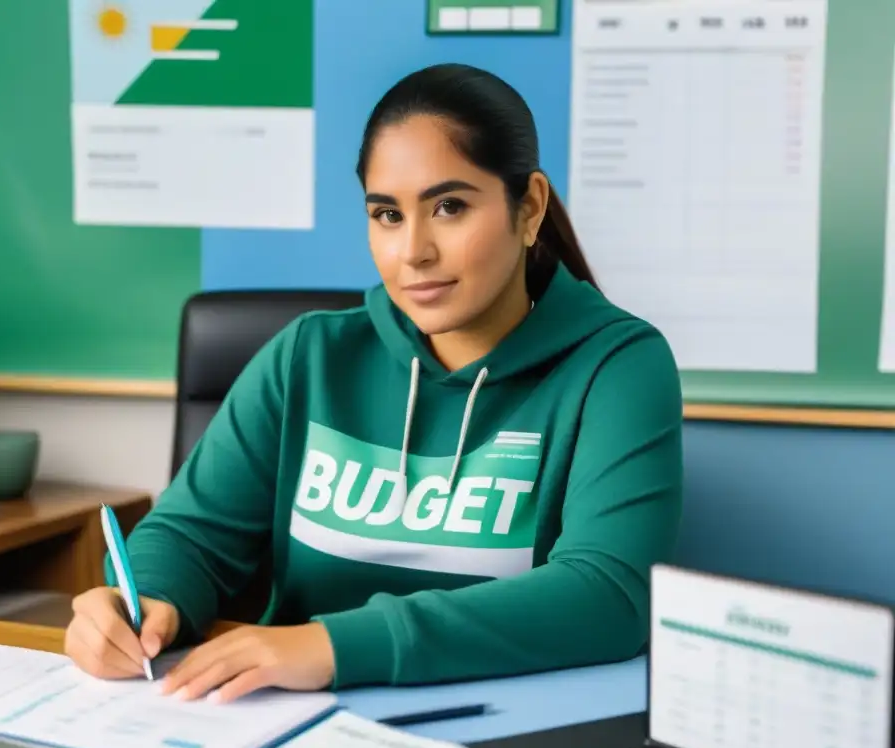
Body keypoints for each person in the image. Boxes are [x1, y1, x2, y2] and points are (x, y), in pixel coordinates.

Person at [65, 63, 684, 703]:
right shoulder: (309, 355)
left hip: (503, 734)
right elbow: (189, 533)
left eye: (449, 207)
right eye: (387, 214)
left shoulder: (618, 366)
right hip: (286, 729)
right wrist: (143, 599)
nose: (413, 251)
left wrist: (333, 646)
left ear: (528, 208)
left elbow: (608, 596)